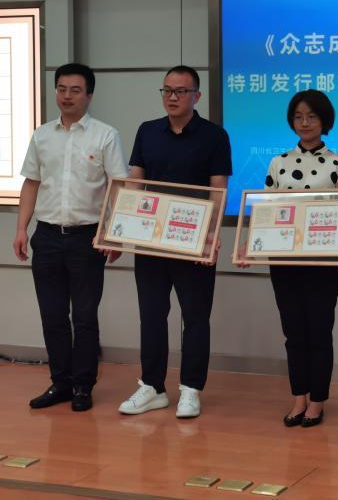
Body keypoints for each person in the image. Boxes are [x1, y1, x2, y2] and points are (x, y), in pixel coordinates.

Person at [117, 65, 232, 418]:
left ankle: (190, 389)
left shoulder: (214, 136)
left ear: (197, 96)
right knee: (152, 315)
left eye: (181, 91)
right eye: (167, 90)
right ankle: (152, 387)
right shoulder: (147, 131)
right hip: (151, 240)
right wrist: (120, 226)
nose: (172, 97)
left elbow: (218, 190)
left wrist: (211, 235)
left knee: (195, 317)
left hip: (192, 241)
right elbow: (135, 182)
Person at [13, 63, 128, 412]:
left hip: (87, 239)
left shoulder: (105, 135)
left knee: (84, 317)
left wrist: (115, 235)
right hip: (47, 236)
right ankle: (60, 382)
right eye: (61, 89)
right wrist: (21, 228)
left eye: (75, 90)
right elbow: (31, 183)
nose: (67, 96)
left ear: (89, 95)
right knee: (52, 316)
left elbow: (118, 188)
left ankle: (83, 385)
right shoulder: (42, 135)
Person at [263, 89, 338, 427]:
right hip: (284, 260)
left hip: (322, 262)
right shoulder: (278, 162)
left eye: (312, 117)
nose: (304, 123)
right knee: (293, 332)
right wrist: (252, 246)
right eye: (298, 117)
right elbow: (267, 211)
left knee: (319, 331)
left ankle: (317, 401)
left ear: (324, 120)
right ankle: (298, 397)